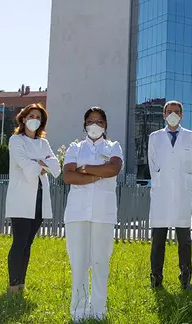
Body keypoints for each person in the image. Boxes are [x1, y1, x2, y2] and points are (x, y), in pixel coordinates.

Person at [62, 107, 124, 321]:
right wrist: (99, 172)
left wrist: (85, 169)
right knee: (78, 263)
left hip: (103, 215)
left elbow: (113, 170)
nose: (94, 124)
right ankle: (78, 311)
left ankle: (98, 311)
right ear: (84, 124)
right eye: (90, 120)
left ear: (105, 125)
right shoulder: (74, 147)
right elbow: (68, 176)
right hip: (77, 214)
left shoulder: (114, 146)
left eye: (99, 121)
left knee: (100, 263)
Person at [5, 103, 60, 293]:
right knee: (19, 241)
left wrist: (39, 163)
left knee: (28, 243)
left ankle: (21, 283)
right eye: (31, 116)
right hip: (21, 197)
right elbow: (25, 166)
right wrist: (41, 164)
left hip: (39, 197)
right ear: (23, 118)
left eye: (38, 117)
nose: (34, 120)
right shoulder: (16, 140)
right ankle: (12, 285)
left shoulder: (43, 143)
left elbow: (56, 167)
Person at [147, 100, 192, 289]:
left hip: (182, 193)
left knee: (184, 239)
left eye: (176, 111)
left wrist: (187, 183)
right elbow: (152, 165)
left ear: (182, 115)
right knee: (158, 239)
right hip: (162, 194)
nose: (173, 114)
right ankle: (156, 277)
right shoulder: (154, 137)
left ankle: (185, 277)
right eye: (169, 111)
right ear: (164, 115)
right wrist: (160, 182)